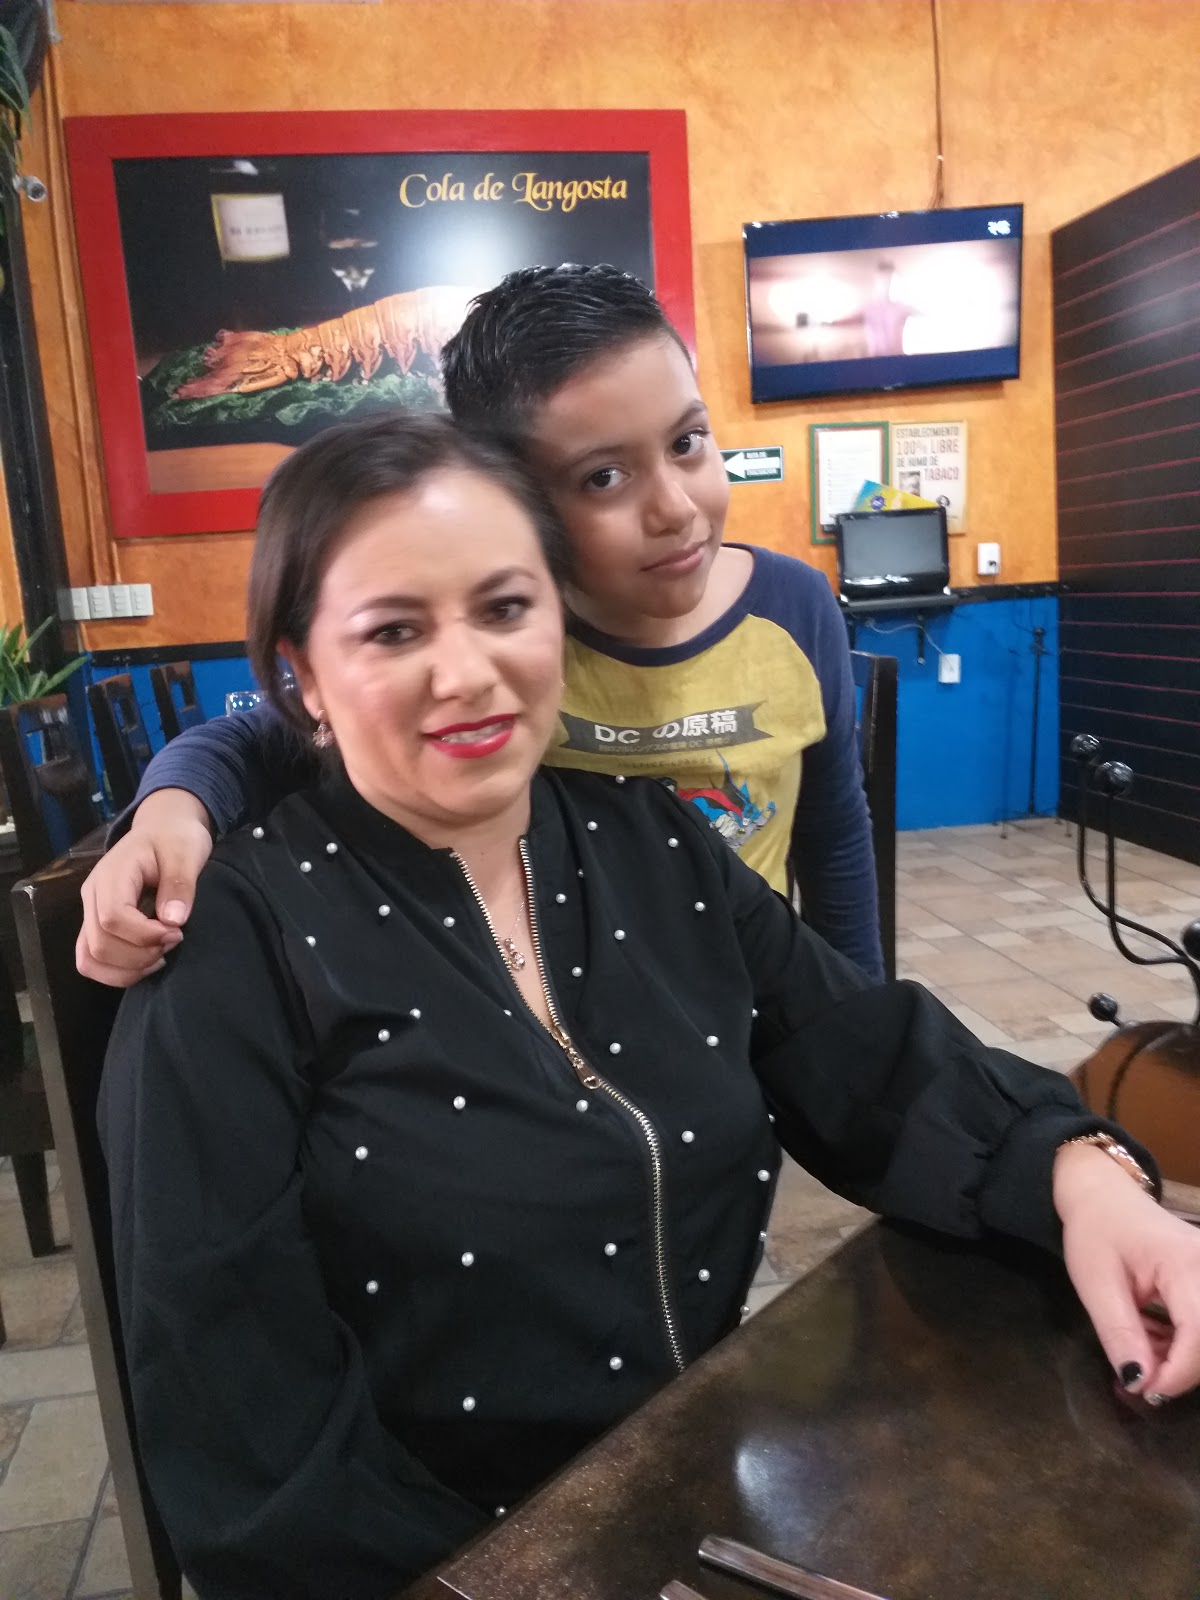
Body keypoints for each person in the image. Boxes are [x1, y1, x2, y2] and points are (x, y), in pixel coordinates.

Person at [100, 412, 1200, 1600]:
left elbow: (866, 1055)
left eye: (505, 607)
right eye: (394, 630)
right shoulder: (232, 940)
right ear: (302, 674)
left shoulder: (652, 842)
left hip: (699, 1486)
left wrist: (1083, 1176)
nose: (466, 671)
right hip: (454, 1560)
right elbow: (241, 1424)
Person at [76, 264, 885, 987]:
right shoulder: (510, 643)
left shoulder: (795, 606)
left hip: (754, 1006)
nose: (674, 508)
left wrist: (858, 1016)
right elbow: (256, 740)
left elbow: (834, 835)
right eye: (603, 477)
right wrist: (169, 812)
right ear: (518, 506)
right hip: (572, 1021)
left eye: (687, 442)